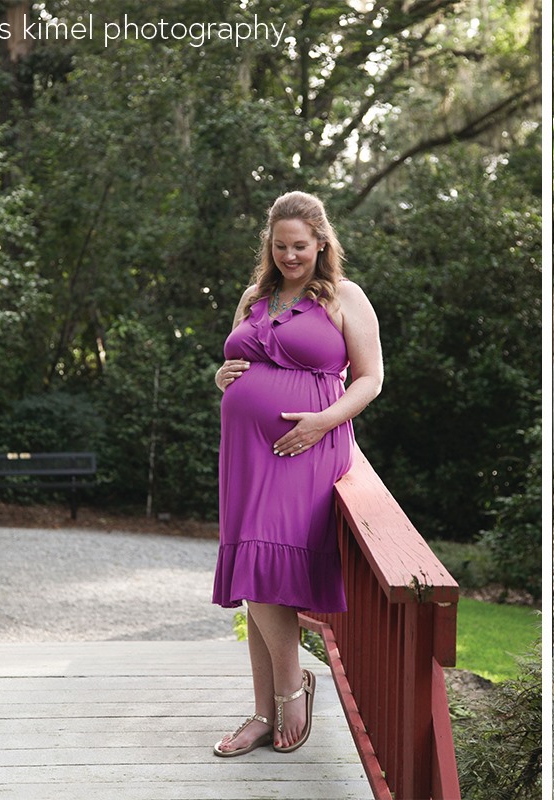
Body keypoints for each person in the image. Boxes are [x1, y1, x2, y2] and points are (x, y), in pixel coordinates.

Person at [209, 191, 383, 757]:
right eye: (280, 246)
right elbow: (238, 361)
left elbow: (370, 379)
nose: (290, 256)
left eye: (300, 246)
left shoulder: (344, 299)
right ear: (270, 245)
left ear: (321, 243)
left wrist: (320, 423)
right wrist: (222, 376)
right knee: (254, 569)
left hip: (308, 446)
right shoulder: (254, 296)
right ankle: (264, 712)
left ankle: (291, 688)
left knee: (260, 562)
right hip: (246, 451)